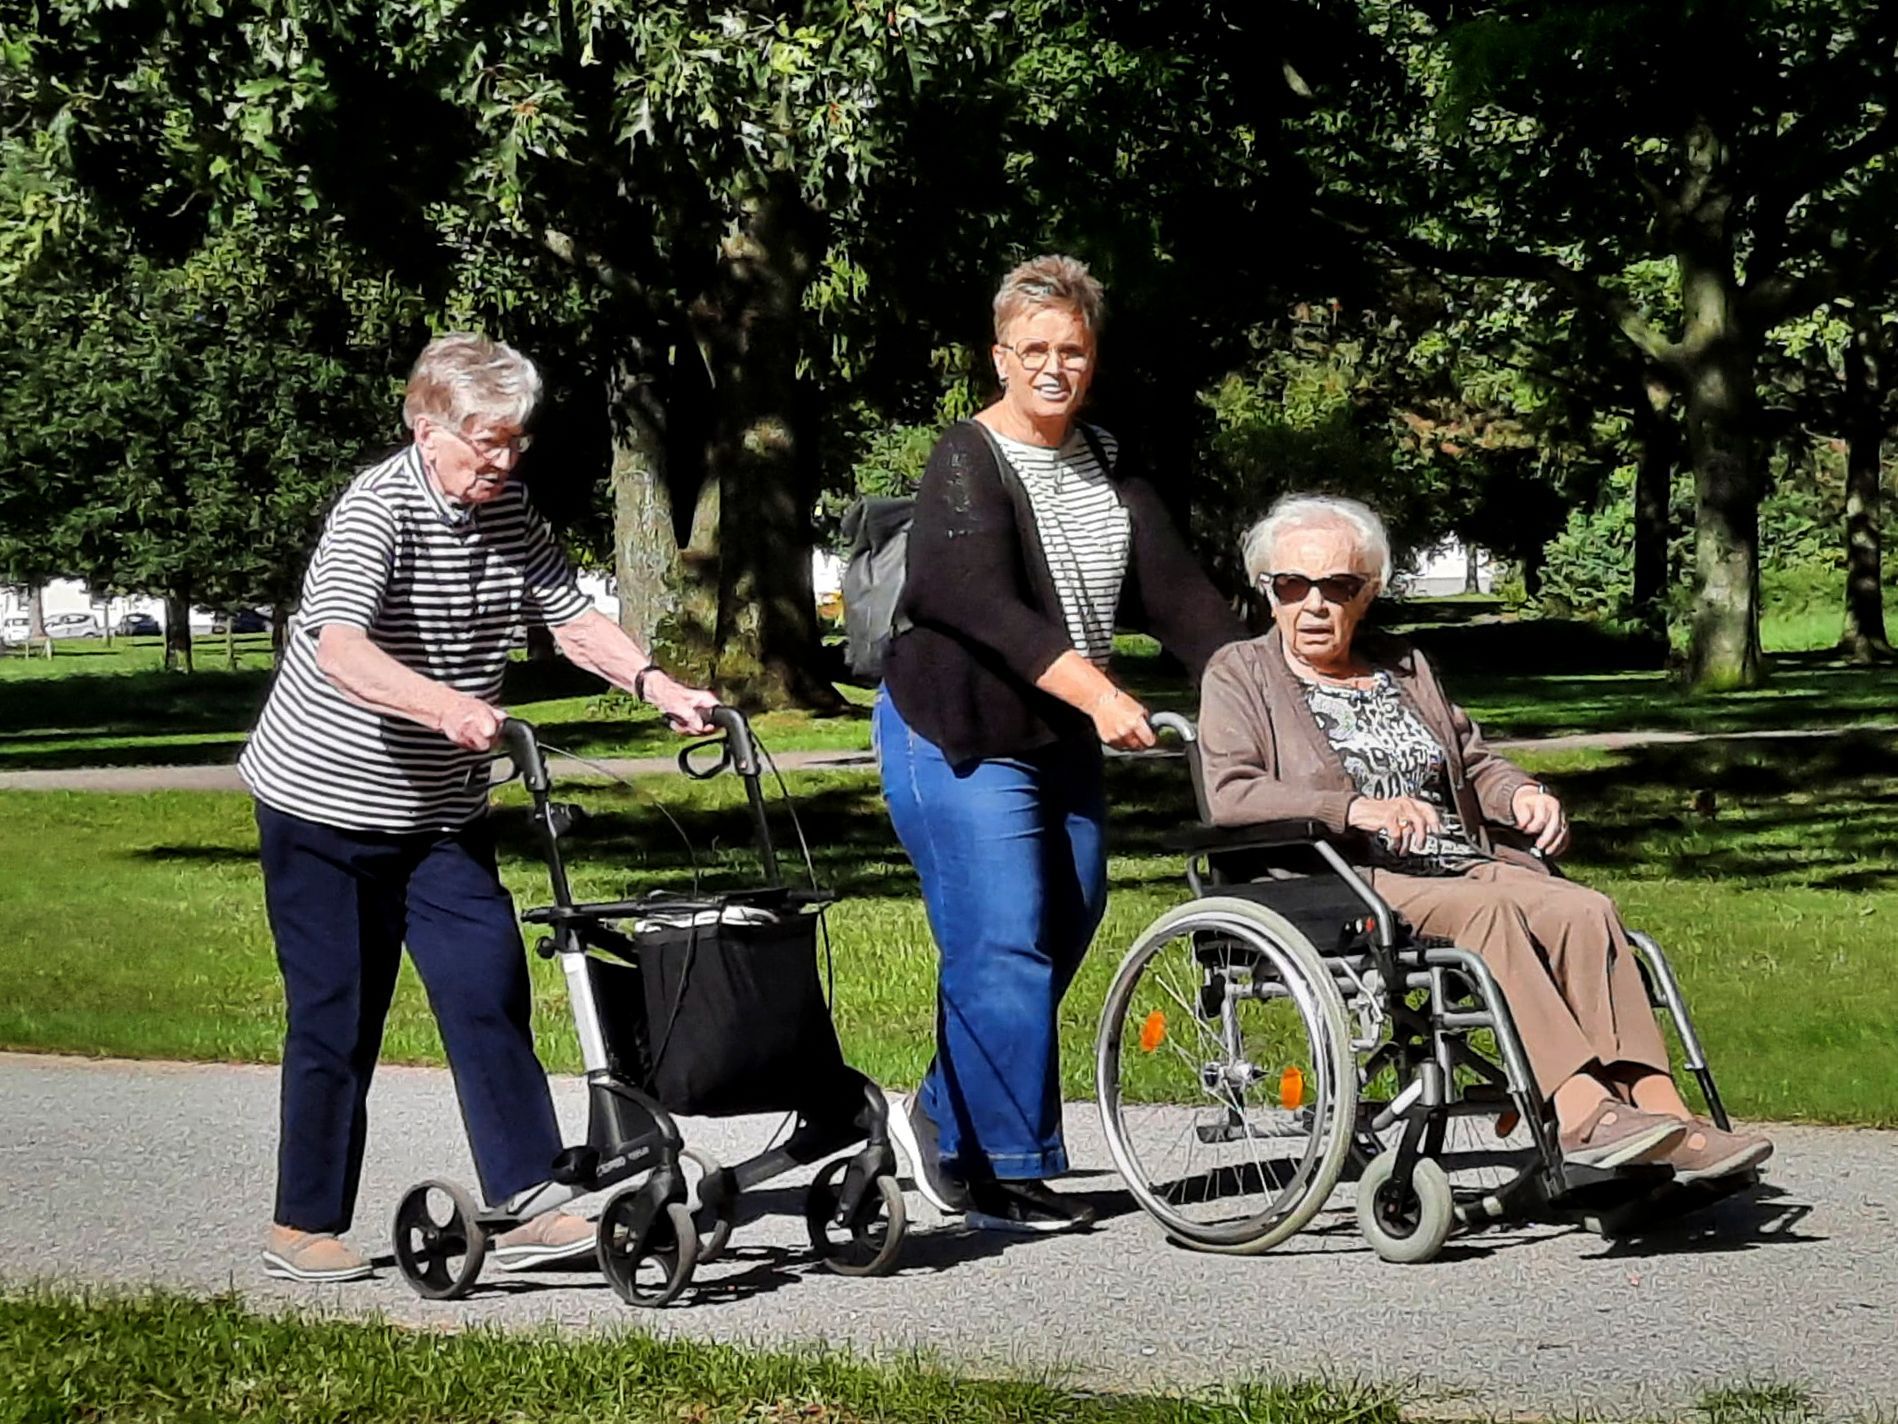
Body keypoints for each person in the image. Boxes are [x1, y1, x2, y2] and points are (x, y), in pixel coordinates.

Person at [240, 333, 718, 1282]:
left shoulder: (506, 511)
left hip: (441, 814)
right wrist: (447, 707)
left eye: (515, 441)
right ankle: (303, 1223)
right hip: (324, 808)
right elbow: (340, 648)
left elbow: (570, 616)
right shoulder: (376, 511)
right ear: (428, 430)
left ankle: (528, 1193)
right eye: (486, 441)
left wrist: (656, 684)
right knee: (338, 1013)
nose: (502, 460)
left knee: (487, 987)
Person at [1196, 493, 1773, 1182]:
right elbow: (1233, 792)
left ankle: (1662, 1111)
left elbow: (1471, 762)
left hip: (1455, 861)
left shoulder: (1404, 667)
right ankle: (1583, 1110)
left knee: (1585, 910)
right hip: (1340, 879)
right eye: (1294, 585)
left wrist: (1523, 793)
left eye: (1338, 586)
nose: (1314, 604)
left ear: (1367, 593)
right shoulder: (1242, 673)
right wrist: (1354, 809)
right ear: (1269, 591)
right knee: (1491, 913)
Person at [876, 255, 1248, 1232]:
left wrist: (1264, 690)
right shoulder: (967, 456)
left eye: (1071, 350)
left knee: (1069, 915)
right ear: (999, 356)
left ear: (1092, 358)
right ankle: (1000, 1166)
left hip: (1053, 732)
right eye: (1032, 349)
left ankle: (940, 1112)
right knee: (1004, 936)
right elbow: (971, 600)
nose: (1052, 367)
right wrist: (1099, 691)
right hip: (957, 730)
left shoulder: (1104, 462)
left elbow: (1182, 600)